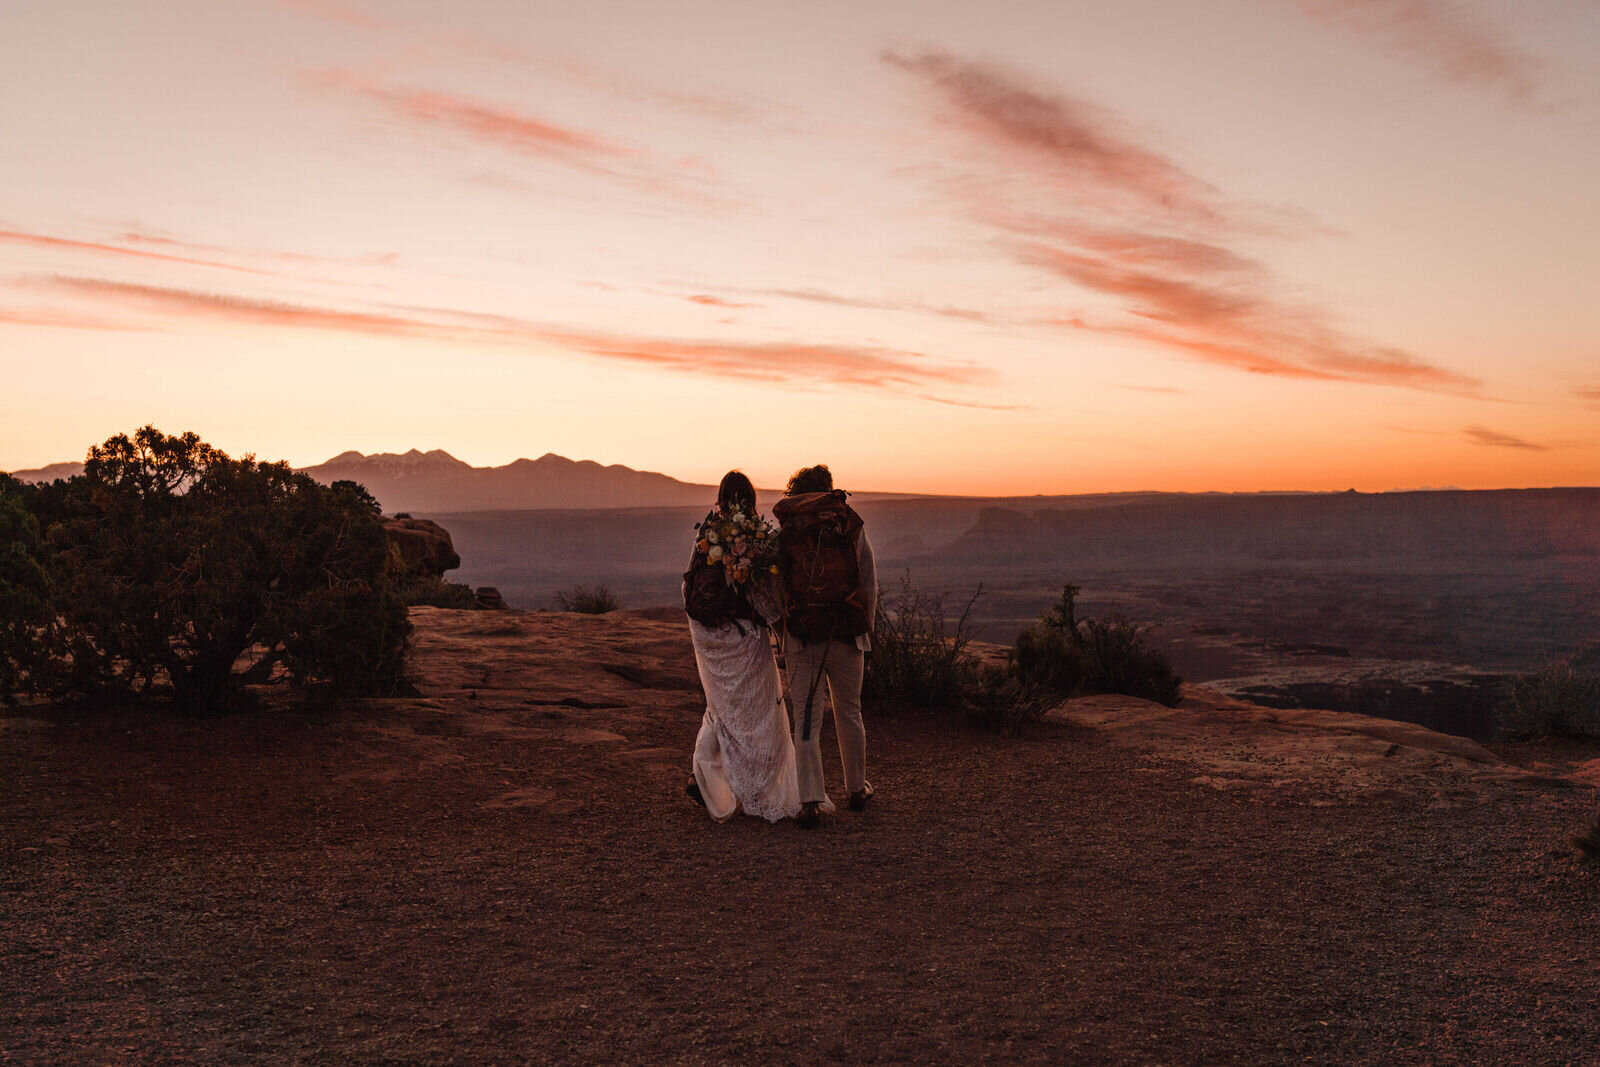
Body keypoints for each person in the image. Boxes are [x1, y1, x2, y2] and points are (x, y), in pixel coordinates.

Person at [682, 471, 815, 823]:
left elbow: (688, 589)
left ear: (722, 498)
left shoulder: (708, 535)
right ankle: (753, 786)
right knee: (759, 712)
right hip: (745, 636)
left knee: (720, 708)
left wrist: (707, 633)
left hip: (711, 640)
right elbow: (765, 594)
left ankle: (704, 777)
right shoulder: (754, 537)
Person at [771, 464, 877, 830]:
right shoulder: (848, 523)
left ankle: (810, 801)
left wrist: (784, 629)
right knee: (850, 711)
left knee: (806, 719)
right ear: (829, 488)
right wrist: (865, 630)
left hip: (803, 635)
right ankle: (856, 790)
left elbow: (778, 584)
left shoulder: (789, 527)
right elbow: (867, 577)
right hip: (845, 632)